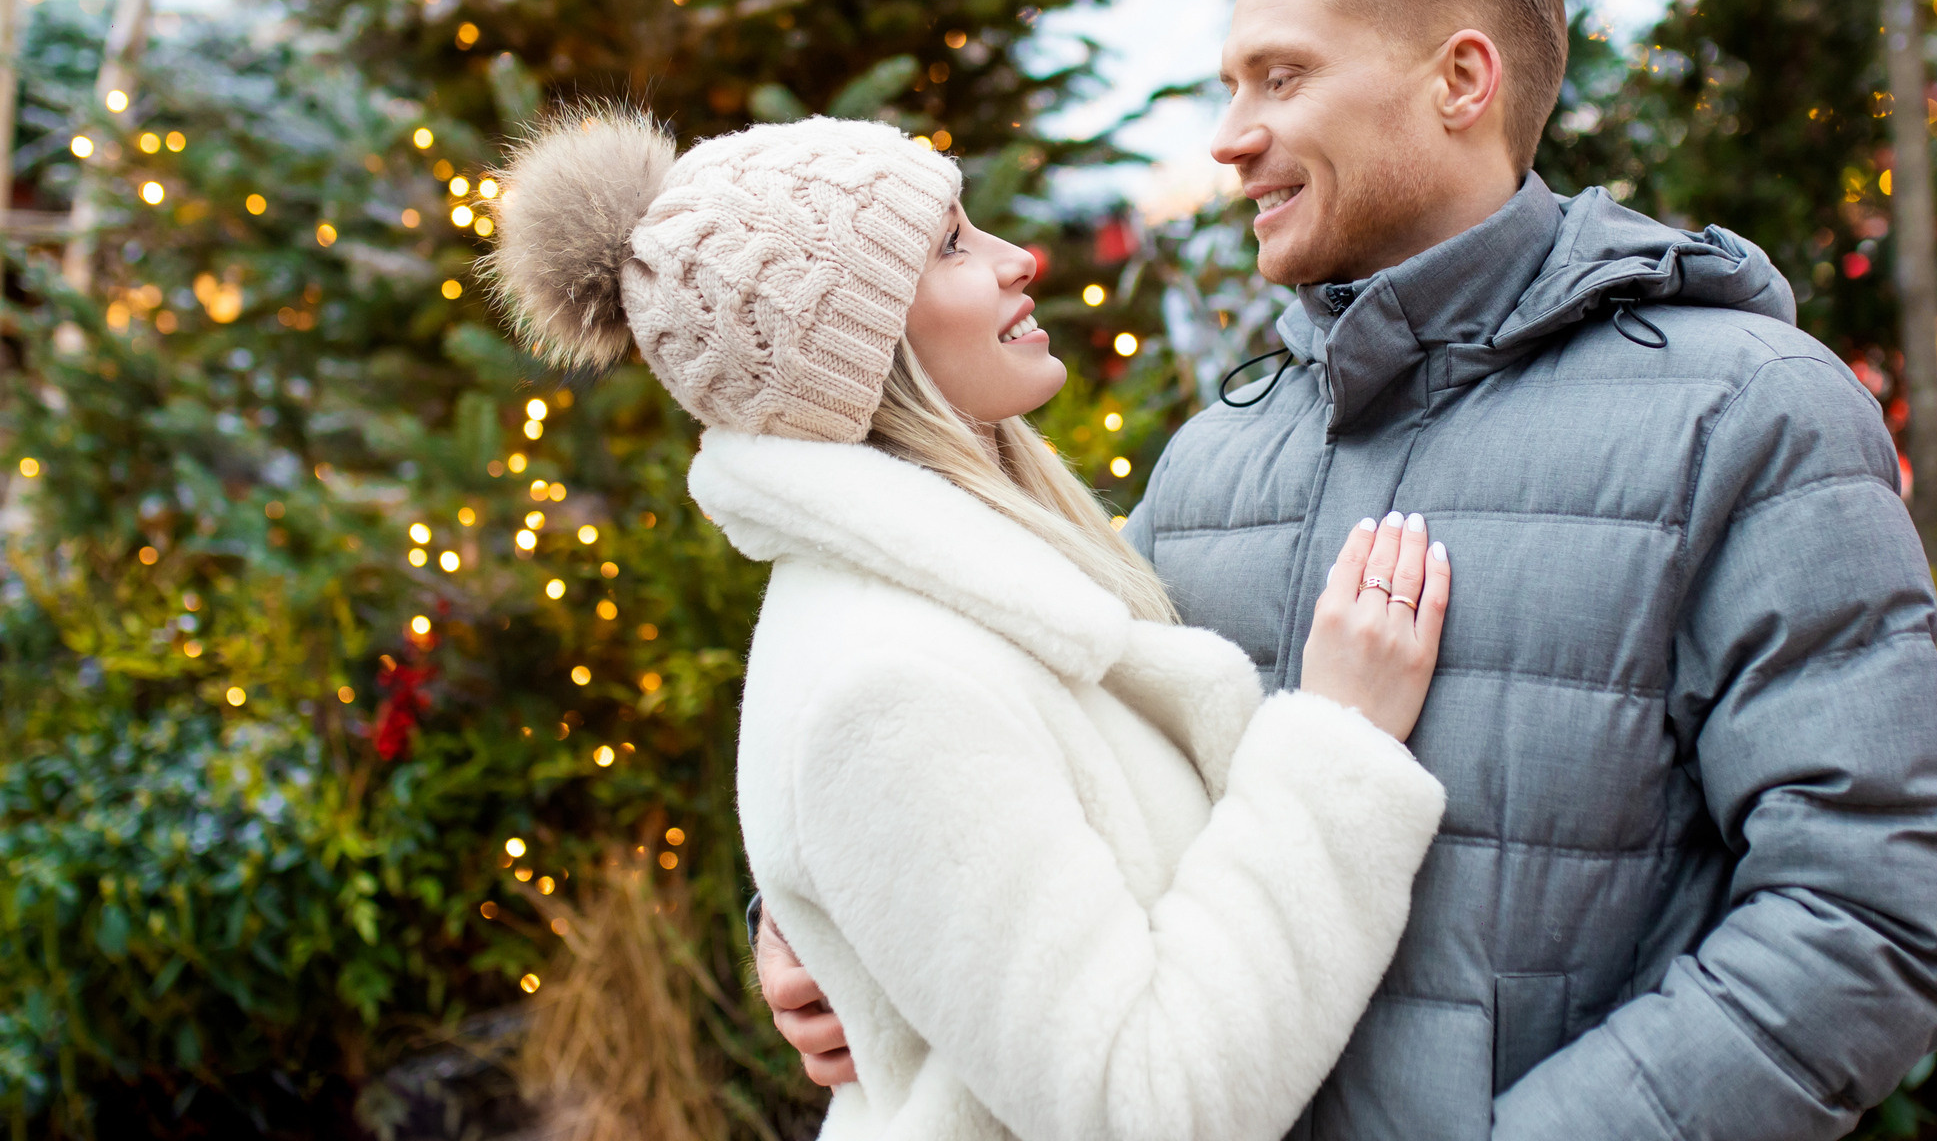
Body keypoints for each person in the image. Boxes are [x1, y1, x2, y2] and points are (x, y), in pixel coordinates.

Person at [762, 0, 1937, 1140]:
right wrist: (827, 909)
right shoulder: (1212, 466)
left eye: (1282, 78)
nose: (1231, 135)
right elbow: (1003, 745)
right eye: (1231, 83)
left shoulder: (1746, 415)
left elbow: (1879, 913)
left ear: (1462, 80)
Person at [488, 112, 1456, 1141]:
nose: (1016, 259)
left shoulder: (987, 590)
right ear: (857, 350)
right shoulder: (887, 682)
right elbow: (1146, 1108)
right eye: (949, 243)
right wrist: (1339, 744)